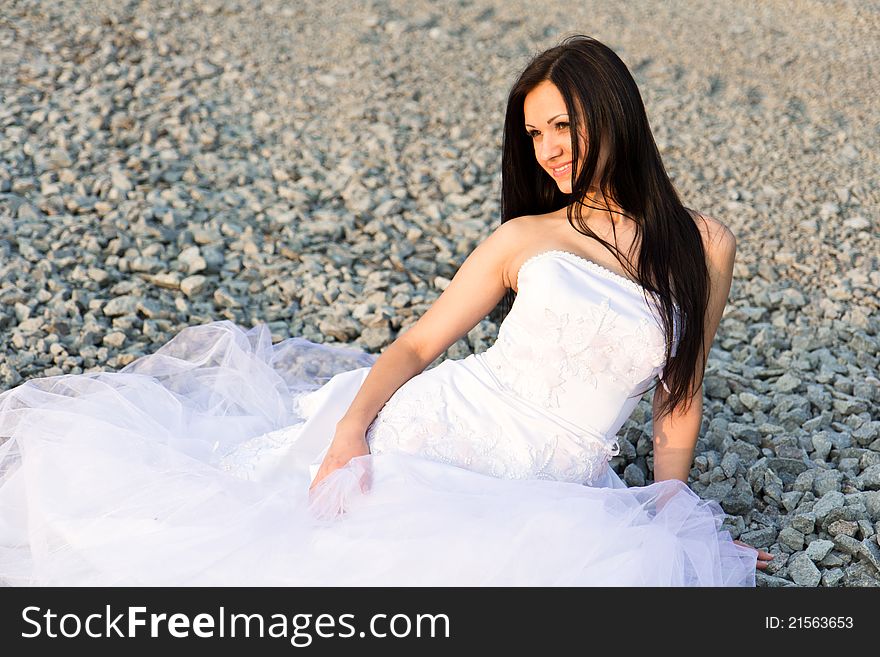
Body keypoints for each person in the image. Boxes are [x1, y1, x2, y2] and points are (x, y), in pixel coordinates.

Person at [0, 35, 770, 586]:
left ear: (614, 112)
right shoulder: (526, 235)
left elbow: (680, 401)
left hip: (560, 481)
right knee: (300, 559)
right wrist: (349, 427)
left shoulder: (704, 247)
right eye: (534, 133)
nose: (547, 150)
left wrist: (677, 517)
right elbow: (419, 342)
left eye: (562, 125)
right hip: (439, 427)